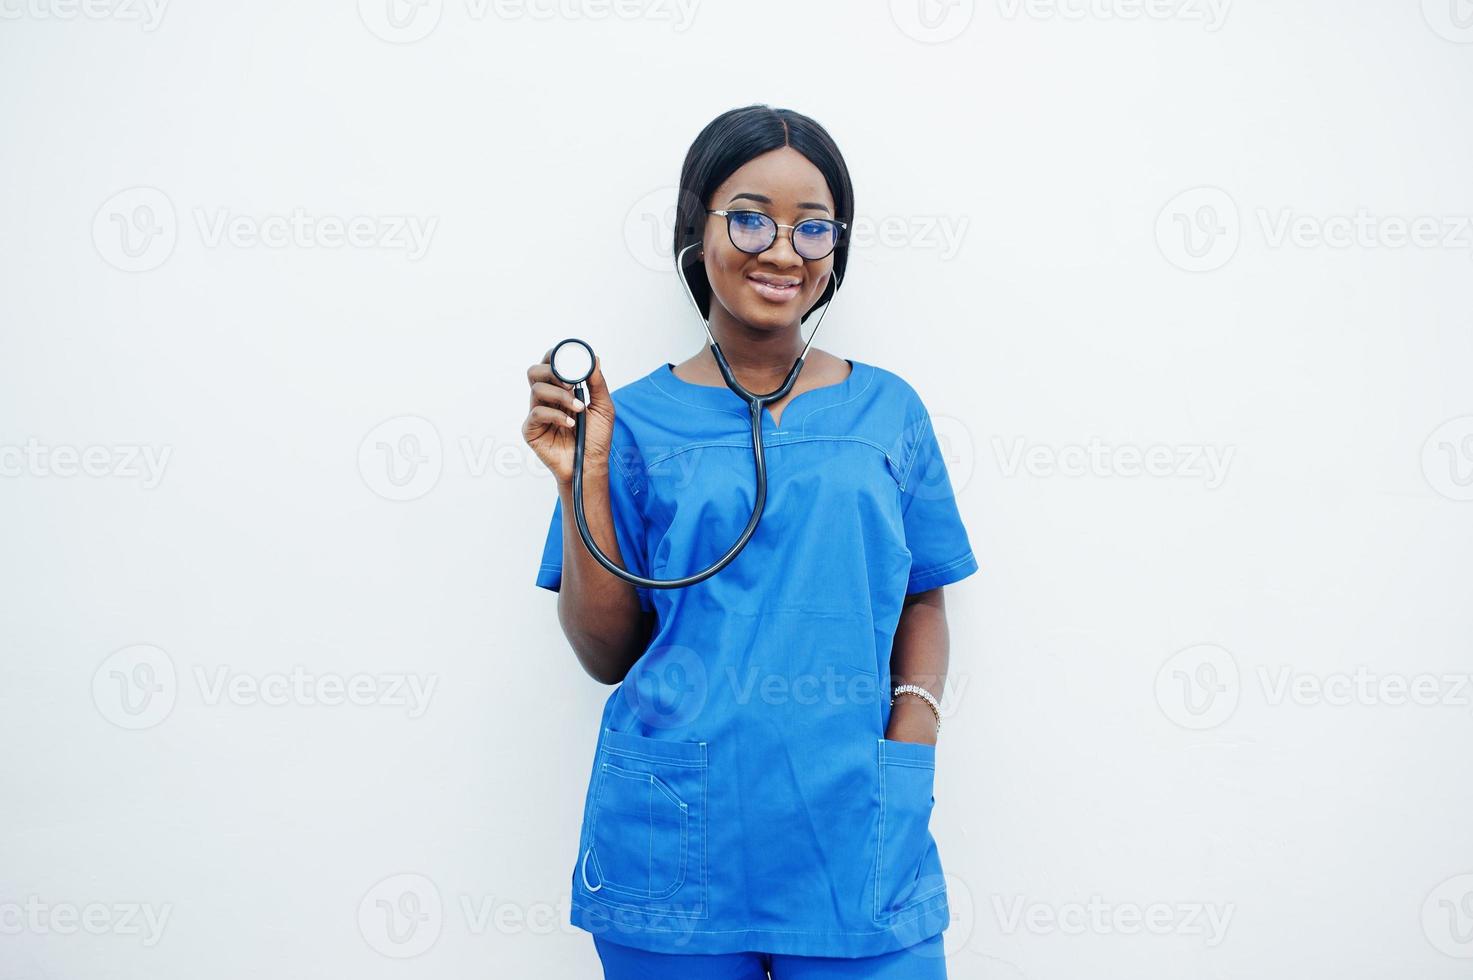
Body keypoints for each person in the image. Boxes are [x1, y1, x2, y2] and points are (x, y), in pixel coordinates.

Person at [522, 104, 978, 980]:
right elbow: (606, 654)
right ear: (696, 230)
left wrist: (910, 735)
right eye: (749, 216)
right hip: (673, 830)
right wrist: (582, 479)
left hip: (856, 827)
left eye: (814, 226)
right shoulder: (632, 423)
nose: (782, 249)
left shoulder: (889, 411)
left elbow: (924, 592)